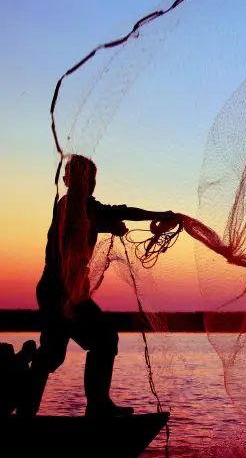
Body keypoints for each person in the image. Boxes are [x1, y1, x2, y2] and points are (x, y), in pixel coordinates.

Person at [18, 154, 178, 417]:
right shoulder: (68, 203)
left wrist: (157, 216)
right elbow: (94, 219)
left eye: (91, 179)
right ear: (67, 179)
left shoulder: (88, 206)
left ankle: (39, 411)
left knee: (61, 351)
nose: (88, 184)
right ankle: (81, 407)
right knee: (92, 341)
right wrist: (113, 224)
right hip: (57, 290)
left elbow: (116, 213)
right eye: (82, 178)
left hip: (70, 291)